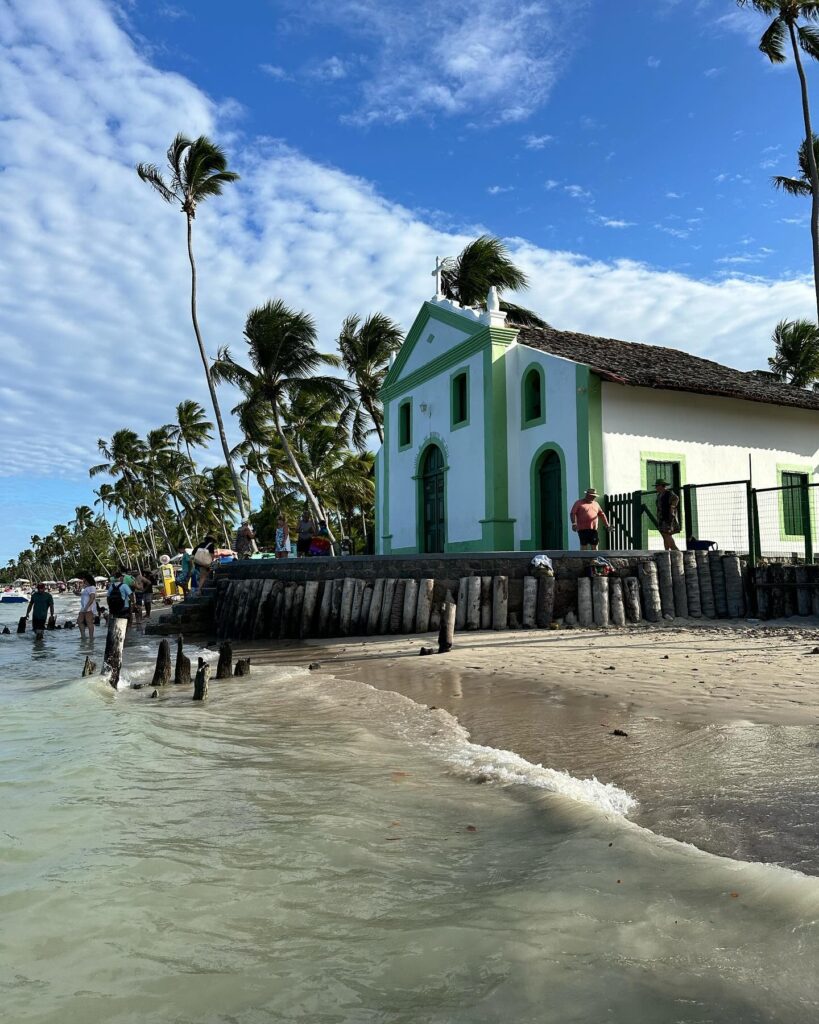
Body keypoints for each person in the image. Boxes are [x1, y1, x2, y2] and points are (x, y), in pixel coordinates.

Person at [570, 487, 610, 551]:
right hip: (582, 529)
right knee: (584, 545)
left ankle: (594, 559)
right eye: (592, 496)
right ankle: (584, 560)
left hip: (593, 529)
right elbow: (572, 513)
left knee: (595, 545)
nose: (594, 497)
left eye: (594, 496)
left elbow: (602, 515)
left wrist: (607, 524)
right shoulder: (579, 503)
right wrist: (574, 523)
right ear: (587, 495)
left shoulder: (596, 504)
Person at [655, 478, 681, 551]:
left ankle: (675, 550)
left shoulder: (669, 493)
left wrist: (672, 507)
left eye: (657, 486)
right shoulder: (659, 495)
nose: (656, 487)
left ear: (662, 486)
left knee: (667, 534)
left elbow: (676, 498)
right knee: (664, 535)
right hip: (661, 517)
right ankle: (666, 551)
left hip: (668, 517)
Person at [76, 572, 98, 640]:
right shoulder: (86, 588)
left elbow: (92, 597)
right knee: (79, 621)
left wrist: (87, 607)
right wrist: (77, 593)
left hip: (89, 608)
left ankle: (91, 637)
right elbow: (84, 596)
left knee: (89, 622)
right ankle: (83, 636)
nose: (83, 582)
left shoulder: (92, 587)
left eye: (84, 580)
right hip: (84, 607)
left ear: (88, 580)